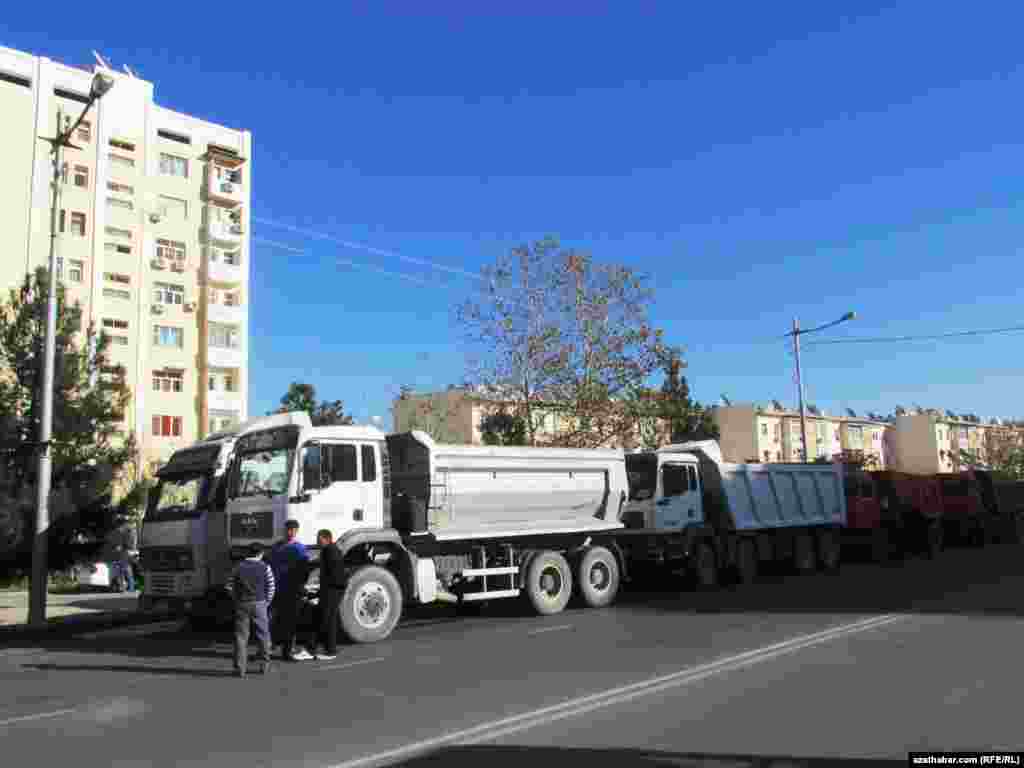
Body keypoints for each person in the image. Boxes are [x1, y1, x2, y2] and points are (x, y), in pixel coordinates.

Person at [225, 542, 275, 678]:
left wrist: (236, 599)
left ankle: (240, 668)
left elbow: (229, 586)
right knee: (263, 635)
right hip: (260, 604)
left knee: (241, 637)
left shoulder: (238, 567)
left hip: (242, 604)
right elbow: (271, 587)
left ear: (248, 552)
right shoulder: (265, 567)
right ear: (261, 553)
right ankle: (264, 665)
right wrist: (266, 603)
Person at [266, 519, 313, 661]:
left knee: (290, 622)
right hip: (276, 589)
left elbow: (305, 569)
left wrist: (301, 586)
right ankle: (269, 647)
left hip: (292, 590)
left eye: (293, 530)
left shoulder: (300, 549)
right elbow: (268, 565)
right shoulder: (276, 547)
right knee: (273, 620)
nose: (290, 533)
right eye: (288, 530)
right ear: (284, 530)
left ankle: (288, 651)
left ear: (296, 532)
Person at [307, 529, 343, 661]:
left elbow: (332, 575)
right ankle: (328, 649)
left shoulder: (330, 551)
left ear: (326, 538)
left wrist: (320, 593)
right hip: (332, 590)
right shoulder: (331, 550)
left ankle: (329, 650)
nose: (317, 541)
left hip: (332, 590)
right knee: (328, 620)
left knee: (326, 620)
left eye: (319, 538)